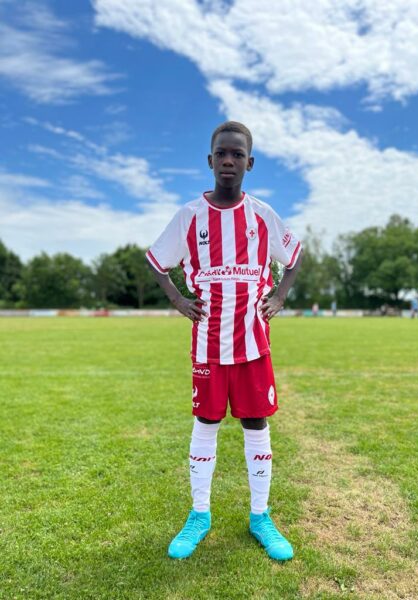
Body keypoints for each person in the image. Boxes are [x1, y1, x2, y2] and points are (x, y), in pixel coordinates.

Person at [145, 121, 303, 561]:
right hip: (208, 344)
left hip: (253, 342)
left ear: (249, 163)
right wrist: (178, 299)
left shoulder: (262, 215)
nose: (228, 160)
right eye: (221, 153)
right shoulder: (189, 216)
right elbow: (157, 262)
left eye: (237, 154)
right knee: (206, 423)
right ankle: (199, 515)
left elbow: (293, 257)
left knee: (255, 423)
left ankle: (260, 516)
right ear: (210, 160)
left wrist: (279, 296)